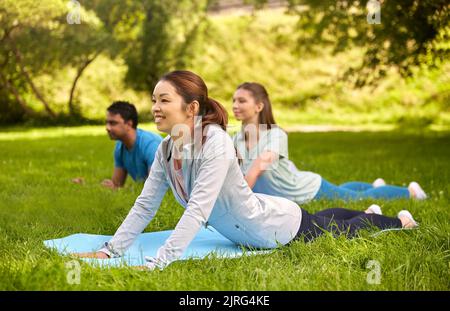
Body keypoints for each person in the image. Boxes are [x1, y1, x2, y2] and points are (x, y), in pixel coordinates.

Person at [74, 71, 418, 270]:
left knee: (340, 228)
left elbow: (198, 209)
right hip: (261, 221)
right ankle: (370, 209)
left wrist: (158, 262)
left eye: (164, 100)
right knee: (325, 218)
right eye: (153, 100)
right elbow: (145, 204)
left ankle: (398, 221)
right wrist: (111, 250)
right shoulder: (166, 150)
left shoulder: (216, 143)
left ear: (191, 108)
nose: (155, 108)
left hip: (275, 228)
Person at [231, 82, 427, 204]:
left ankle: (411, 192)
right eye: (233, 101)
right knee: (343, 190)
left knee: (356, 199)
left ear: (259, 106)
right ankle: (374, 184)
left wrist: (237, 200)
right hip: (281, 194)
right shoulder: (236, 139)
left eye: (241, 101)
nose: (235, 106)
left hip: (304, 191)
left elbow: (258, 168)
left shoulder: (276, 135)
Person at [102, 101, 163, 189]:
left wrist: (127, 189)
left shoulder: (151, 144)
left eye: (113, 123)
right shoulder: (120, 146)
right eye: (107, 123)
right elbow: (117, 185)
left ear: (129, 124)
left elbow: (155, 187)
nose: (107, 128)